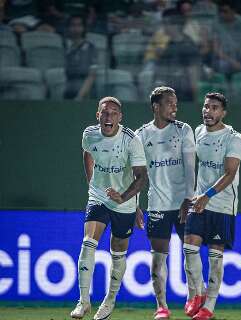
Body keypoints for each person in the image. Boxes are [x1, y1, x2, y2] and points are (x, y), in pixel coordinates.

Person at [70, 97, 147, 320]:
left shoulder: (131, 140)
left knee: (118, 253)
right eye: (105, 113)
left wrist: (128, 200)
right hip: (100, 196)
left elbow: (141, 177)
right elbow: (87, 154)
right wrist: (92, 184)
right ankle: (83, 301)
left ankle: (109, 300)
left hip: (124, 202)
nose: (108, 117)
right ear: (98, 115)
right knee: (88, 242)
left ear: (120, 118)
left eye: (114, 113)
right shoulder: (89, 135)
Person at [135, 86, 196, 320]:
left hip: (183, 204)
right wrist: (135, 205)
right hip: (157, 205)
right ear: (156, 107)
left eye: (176, 103)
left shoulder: (184, 130)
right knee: (158, 257)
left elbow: (191, 168)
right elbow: (138, 176)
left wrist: (188, 199)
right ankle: (161, 306)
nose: (175, 107)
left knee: (191, 253)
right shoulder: (141, 135)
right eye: (170, 103)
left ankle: (193, 300)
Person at [183, 92, 241, 320]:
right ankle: (197, 294)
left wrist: (206, 195)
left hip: (222, 205)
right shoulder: (198, 132)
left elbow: (230, 174)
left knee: (215, 259)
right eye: (206, 107)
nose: (208, 111)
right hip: (200, 202)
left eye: (214, 108)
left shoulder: (233, 139)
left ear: (223, 113)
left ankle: (209, 307)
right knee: (189, 248)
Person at [64, 14, 98, 100]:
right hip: (66, 87)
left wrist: (80, 96)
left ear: (84, 28)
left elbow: (92, 75)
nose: (76, 28)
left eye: (79, 25)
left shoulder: (91, 48)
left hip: (85, 91)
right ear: (68, 27)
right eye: (73, 25)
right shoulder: (64, 47)